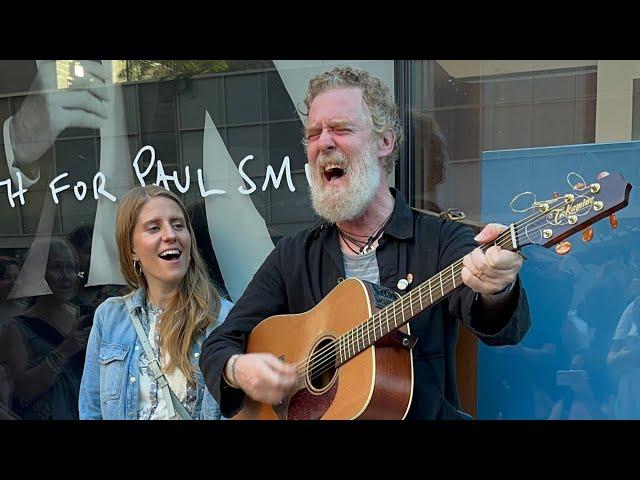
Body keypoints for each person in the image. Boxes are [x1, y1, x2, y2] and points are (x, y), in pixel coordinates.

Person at [199, 66, 531, 420]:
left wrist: (497, 289)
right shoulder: (293, 256)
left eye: (340, 129)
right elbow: (219, 345)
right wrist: (238, 369)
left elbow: (500, 328)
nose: (324, 143)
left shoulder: (441, 239)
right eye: (314, 134)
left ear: (384, 143)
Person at [78, 185, 233, 420]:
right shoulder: (109, 318)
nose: (170, 235)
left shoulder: (223, 318)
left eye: (178, 225)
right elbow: (91, 412)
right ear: (131, 249)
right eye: (154, 228)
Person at [0, 238, 89, 419]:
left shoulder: (86, 316)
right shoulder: (17, 327)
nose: (66, 276)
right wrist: (64, 351)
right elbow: (23, 392)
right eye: (57, 267)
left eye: (71, 268)